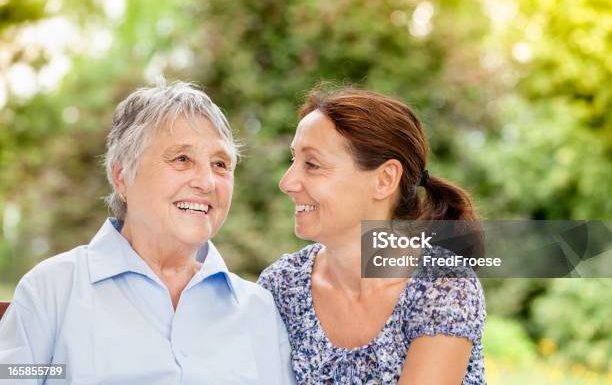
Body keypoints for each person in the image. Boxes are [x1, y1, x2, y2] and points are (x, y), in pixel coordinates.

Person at [0, 80, 295, 384]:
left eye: (220, 164)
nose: (207, 182)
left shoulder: (258, 311)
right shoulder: (52, 291)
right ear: (122, 176)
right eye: (182, 159)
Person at [258, 87, 486, 384]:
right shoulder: (280, 286)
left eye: (312, 164)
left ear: (385, 179)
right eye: (293, 161)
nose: (286, 182)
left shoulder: (443, 285)